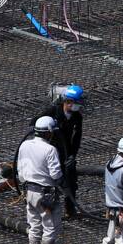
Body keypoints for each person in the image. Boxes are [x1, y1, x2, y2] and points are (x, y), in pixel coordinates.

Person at [16, 116, 67, 244]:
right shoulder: (50, 150)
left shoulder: (24, 145)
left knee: (34, 227)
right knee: (49, 228)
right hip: (45, 196)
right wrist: (66, 170)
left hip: (28, 192)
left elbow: (20, 168)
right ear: (49, 133)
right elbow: (56, 175)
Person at [39, 83, 84, 218]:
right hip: (50, 152)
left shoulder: (77, 117)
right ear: (68, 102)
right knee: (49, 181)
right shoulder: (52, 112)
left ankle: (70, 209)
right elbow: (34, 124)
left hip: (66, 153)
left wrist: (72, 156)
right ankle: (46, 209)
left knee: (71, 182)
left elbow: (76, 138)